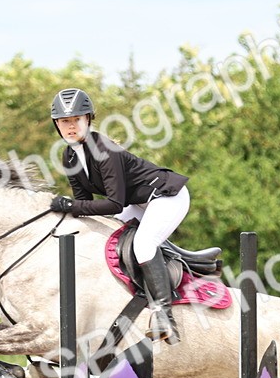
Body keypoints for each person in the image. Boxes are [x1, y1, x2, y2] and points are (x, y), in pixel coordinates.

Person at [47, 87, 190, 344]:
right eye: (64, 121)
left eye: (76, 120)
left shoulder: (104, 149)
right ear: (57, 125)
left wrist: (70, 206)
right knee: (104, 238)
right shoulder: (69, 156)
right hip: (138, 202)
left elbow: (113, 204)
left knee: (143, 245)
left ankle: (164, 315)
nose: (70, 127)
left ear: (88, 119)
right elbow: (84, 204)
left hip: (167, 196)